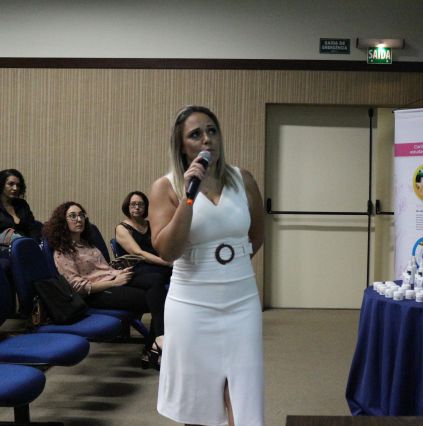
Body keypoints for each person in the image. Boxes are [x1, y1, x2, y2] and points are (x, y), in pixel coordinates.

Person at [150, 105, 264, 425]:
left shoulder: (243, 179)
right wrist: (189, 196)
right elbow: (168, 251)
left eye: (212, 131)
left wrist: (227, 268)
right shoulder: (166, 187)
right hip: (191, 305)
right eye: (196, 134)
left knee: (244, 391)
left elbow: (256, 235)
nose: (206, 140)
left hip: (241, 301)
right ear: (181, 145)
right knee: (197, 399)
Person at [43, 201, 168, 369]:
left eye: (81, 215)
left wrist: (118, 273)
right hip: (96, 293)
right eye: (73, 216)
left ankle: (154, 345)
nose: (79, 219)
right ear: (62, 222)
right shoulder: (62, 252)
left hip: (112, 280)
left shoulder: (88, 244)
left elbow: (105, 268)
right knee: (155, 298)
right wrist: (114, 282)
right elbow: (78, 288)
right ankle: (154, 346)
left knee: (157, 279)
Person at [115, 191, 172, 284]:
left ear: (146, 207)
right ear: (127, 206)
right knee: (161, 276)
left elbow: (162, 245)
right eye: (133, 204)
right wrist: (167, 263)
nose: (137, 207)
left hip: (156, 263)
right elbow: (138, 253)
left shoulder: (151, 224)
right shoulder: (122, 228)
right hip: (137, 266)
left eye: (141, 204)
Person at [0, 169, 42, 244]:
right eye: (11, 184)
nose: (15, 188)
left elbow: (32, 227)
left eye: (18, 185)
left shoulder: (22, 204)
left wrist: (34, 243)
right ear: (1, 185)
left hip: (24, 245)